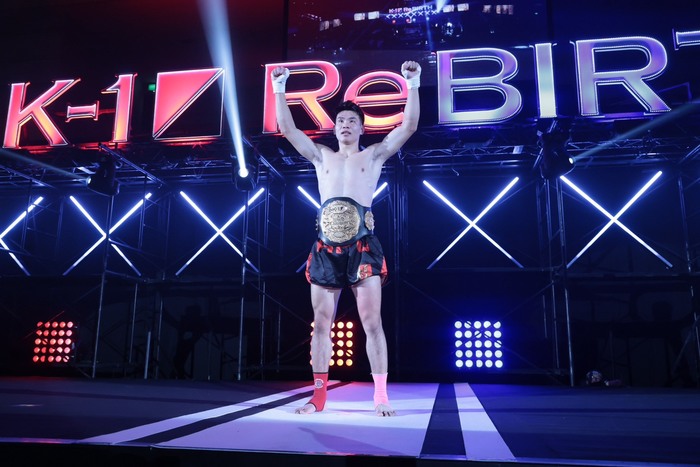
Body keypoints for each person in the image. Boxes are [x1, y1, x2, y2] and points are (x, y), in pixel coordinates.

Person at [271, 61, 421, 416]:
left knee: (372, 322)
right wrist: (279, 88)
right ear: (335, 127)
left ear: (361, 128)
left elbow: (409, 126)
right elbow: (287, 128)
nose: (345, 125)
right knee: (321, 324)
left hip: (363, 247)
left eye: (352, 120)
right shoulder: (320, 155)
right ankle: (318, 397)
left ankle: (380, 397)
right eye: (340, 120)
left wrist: (412, 83)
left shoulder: (374, 154)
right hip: (325, 249)